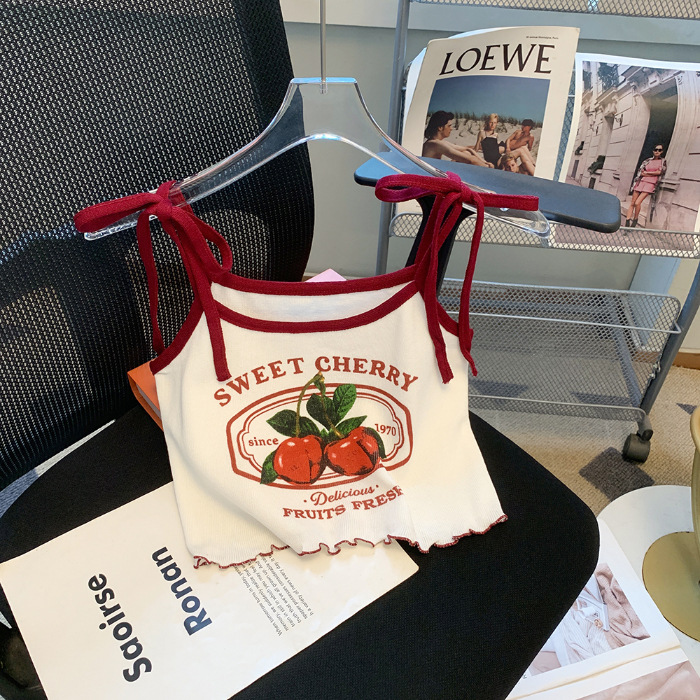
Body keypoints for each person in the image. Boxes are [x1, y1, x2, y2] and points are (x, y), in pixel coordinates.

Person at [422, 111, 493, 167]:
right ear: (440, 128)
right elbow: (471, 160)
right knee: (466, 159)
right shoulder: (435, 144)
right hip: (431, 177)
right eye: (449, 126)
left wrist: (484, 162)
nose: (451, 128)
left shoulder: (438, 142)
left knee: (466, 153)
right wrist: (487, 167)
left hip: (436, 172)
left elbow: (467, 149)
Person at [625, 144, 667, 227]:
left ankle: (635, 219)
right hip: (641, 181)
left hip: (650, 183)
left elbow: (660, 172)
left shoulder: (663, 162)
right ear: (653, 151)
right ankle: (627, 222)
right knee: (632, 203)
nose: (657, 151)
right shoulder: (647, 161)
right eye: (656, 149)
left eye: (659, 150)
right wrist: (651, 173)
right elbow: (641, 172)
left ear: (662, 151)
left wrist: (647, 173)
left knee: (637, 203)